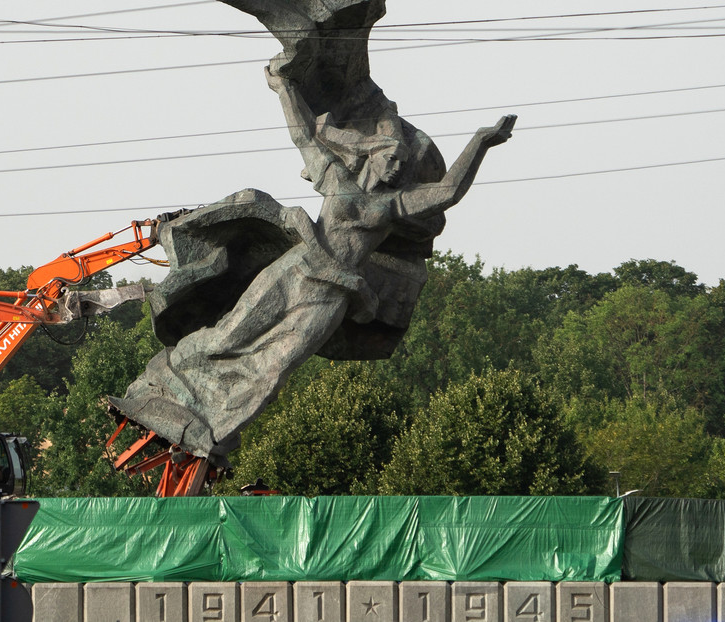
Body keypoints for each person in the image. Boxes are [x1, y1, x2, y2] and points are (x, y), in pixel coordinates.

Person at [108, 67, 516, 465]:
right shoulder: (336, 178)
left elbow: (447, 192)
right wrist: (284, 88)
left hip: (330, 297)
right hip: (295, 273)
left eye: (401, 162)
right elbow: (303, 134)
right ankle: (161, 384)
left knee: (275, 368)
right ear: (372, 156)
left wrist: (481, 142)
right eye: (391, 158)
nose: (396, 168)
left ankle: (216, 429)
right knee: (229, 334)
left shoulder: (393, 206)